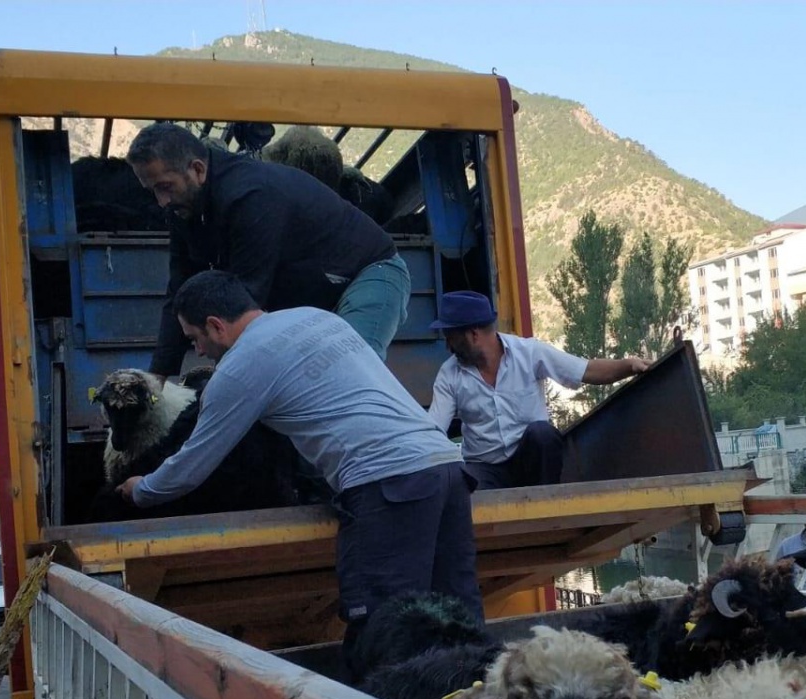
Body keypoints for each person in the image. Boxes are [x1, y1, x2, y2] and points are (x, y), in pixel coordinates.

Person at [117, 270, 482, 669]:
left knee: (383, 634)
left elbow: (192, 465)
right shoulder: (316, 318)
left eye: (194, 339)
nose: (199, 352)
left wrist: (142, 489)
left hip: (388, 485)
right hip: (447, 469)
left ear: (216, 326)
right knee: (458, 621)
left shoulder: (239, 368)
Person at [126, 122, 410, 381]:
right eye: (153, 191)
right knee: (293, 389)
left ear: (198, 170)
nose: (161, 201)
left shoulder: (250, 195)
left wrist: (224, 385)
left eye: (165, 187)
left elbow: (244, 302)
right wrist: (157, 378)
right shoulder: (183, 210)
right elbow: (180, 291)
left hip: (366, 273)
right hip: (309, 293)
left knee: (347, 375)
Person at [427, 291, 650, 490]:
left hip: (531, 465)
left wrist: (629, 366)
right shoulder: (449, 374)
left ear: (473, 335)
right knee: (465, 485)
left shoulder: (530, 353)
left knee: (542, 434)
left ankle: (547, 505)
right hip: (484, 468)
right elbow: (434, 430)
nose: (448, 346)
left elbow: (586, 370)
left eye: (451, 338)